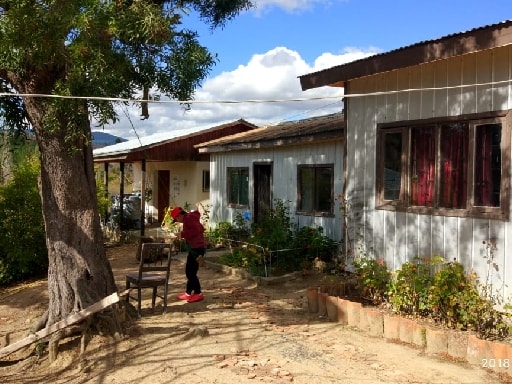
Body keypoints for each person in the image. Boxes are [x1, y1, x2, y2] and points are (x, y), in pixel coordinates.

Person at [171, 206, 205, 303]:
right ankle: (188, 293)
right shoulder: (189, 218)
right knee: (190, 271)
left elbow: (197, 230)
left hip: (197, 248)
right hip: (196, 247)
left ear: (179, 215)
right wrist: (184, 235)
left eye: (176, 219)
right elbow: (198, 229)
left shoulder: (189, 219)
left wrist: (183, 234)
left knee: (190, 272)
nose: (177, 221)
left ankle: (198, 293)